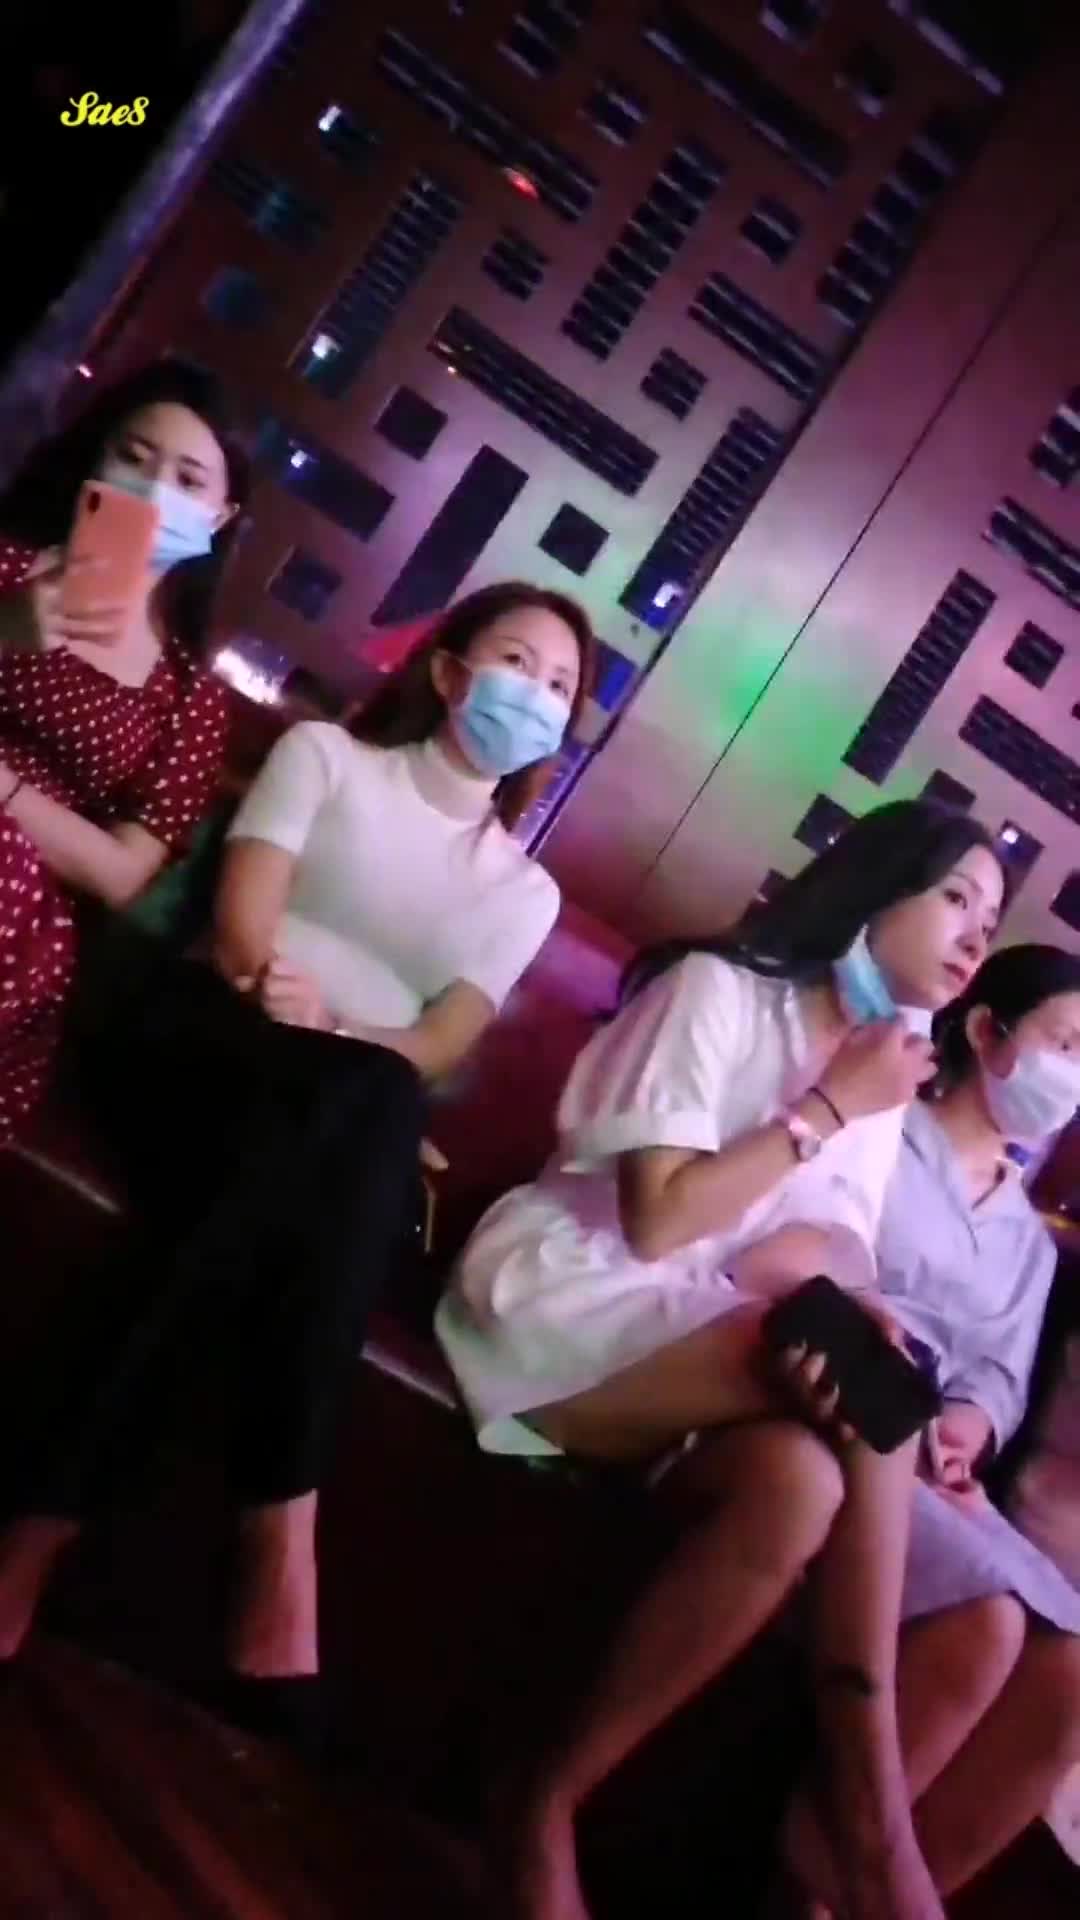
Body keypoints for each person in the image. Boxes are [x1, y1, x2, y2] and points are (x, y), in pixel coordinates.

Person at [0, 579, 593, 1748]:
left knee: (332, 1126)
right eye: (517, 662)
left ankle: (35, 1522)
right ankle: (279, 1529)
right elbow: (241, 931)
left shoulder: (525, 892)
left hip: (321, 1115)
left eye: (561, 687)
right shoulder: (326, 758)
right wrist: (296, 1007)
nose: (535, 693)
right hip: (202, 1039)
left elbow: (438, 1043)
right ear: (449, 670)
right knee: (358, 1111)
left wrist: (340, 1037)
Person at [436, 800, 1007, 1920]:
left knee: (801, 1485)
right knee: (852, 1377)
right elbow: (658, 1223)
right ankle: (867, 1811)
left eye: (991, 921)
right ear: (880, 885)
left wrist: (849, 1296)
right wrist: (824, 1109)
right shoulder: (716, 993)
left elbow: (811, 1248)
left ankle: (545, 1796)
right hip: (566, 1299)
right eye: (956, 898)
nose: (976, 935)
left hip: (698, 1338)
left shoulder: (884, 1070)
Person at [784, 944, 1080, 1915]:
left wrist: (964, 1429)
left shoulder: (1031, 1241)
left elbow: (1000, 1375)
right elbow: (821, 1261)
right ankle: (828, 1866)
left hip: (938, 1466)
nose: (1074, 1076)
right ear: (988, 1031)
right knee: (990, 1618)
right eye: (1066, 1044)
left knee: (1073, 1662)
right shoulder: (882, 1135)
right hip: (843, 1410)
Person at [0, 357, 246, 1146]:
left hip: (20, 907)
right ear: (95, 462)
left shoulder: (190, 699)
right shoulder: (5, 568)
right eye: (133, 458)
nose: (152, 490)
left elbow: (122, 872)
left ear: (218, 517)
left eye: (187, 479)